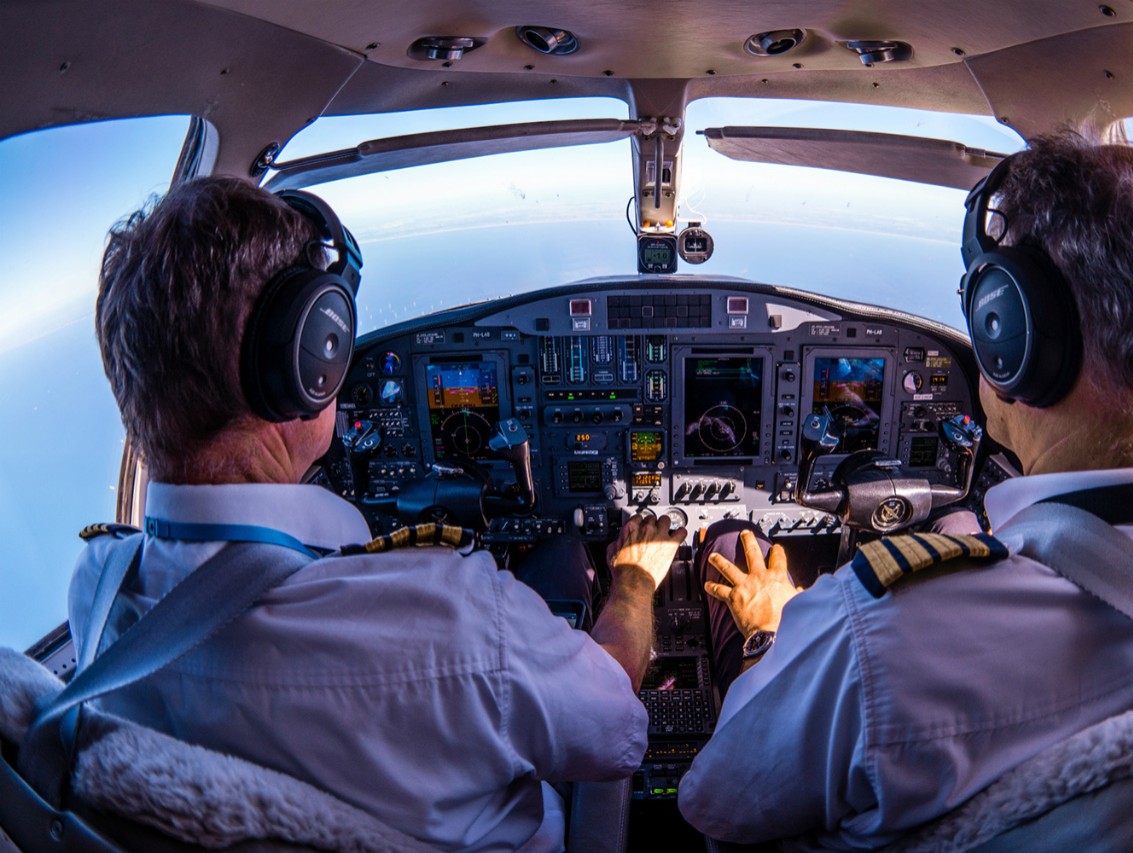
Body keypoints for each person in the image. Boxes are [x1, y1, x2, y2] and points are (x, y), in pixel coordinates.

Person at [678, 129, 1133, 848]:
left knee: (733, 545)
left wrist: (769, 629)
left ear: (1013, 335)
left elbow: (714, 801)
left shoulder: (882, 633)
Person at [72, 175, 683, 851]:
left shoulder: (100, 598)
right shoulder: (453, 618)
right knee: (574, 566)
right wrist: (633, 576)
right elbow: (613, 722)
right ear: (311, 359)